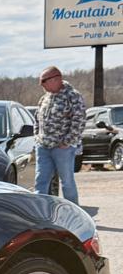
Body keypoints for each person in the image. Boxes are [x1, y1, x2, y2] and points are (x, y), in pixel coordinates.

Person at [34, 65, 86, 205]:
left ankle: (72, 213)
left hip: (63, 148)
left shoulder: (73, 96)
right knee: (40, 181)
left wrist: (67, 141)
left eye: (43, 81)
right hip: (43, 147)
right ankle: (39, 212)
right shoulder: (45, 98)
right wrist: (37, 137)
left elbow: (79, 121)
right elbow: (37, 119)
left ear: (56, 79)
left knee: (67, 182)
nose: (41, 85)